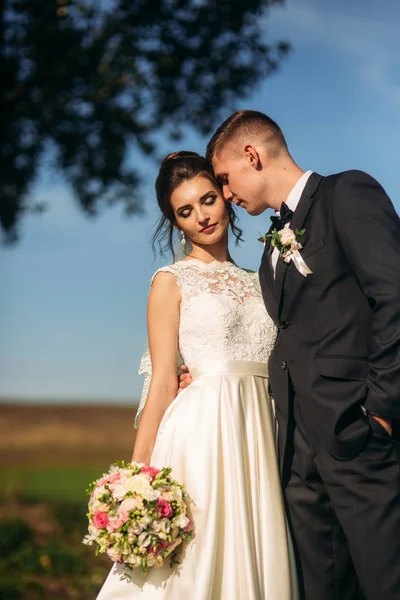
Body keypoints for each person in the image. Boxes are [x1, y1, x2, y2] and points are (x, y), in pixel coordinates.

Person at [179, 110, 400, 600]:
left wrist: (381, 409)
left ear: (252, 156)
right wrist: (202, 372)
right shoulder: (268, 252)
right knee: (322, 588)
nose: (227, 193)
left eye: (224, 178)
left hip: (358, 434)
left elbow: (394, 295)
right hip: (297, 453)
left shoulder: (348, 194)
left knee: (387, 581)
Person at [96, 151, 299, 600]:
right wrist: (135, 480)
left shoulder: (261, 277)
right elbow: (164, 381)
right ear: (175, 222)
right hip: (204, 435)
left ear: (225, 197)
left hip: (263, 429)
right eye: (185, 211)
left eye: (208, 200)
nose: (202, 216)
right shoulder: (170, 282)